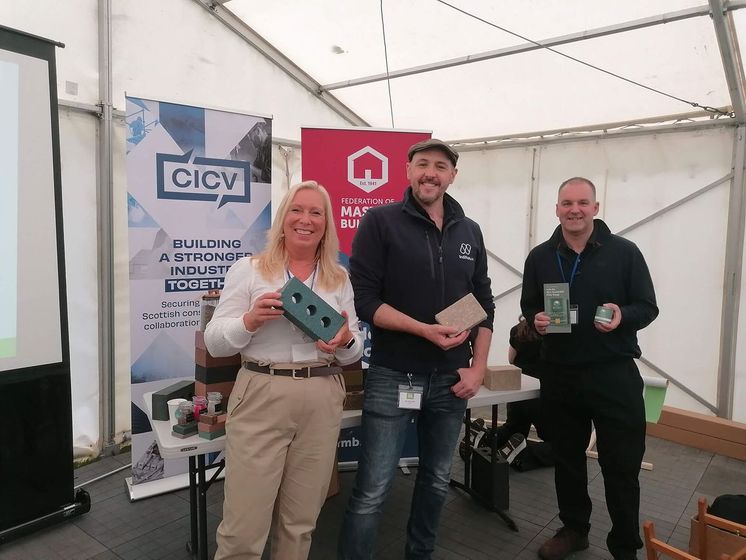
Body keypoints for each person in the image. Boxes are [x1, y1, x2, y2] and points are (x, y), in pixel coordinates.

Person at [338, 138, 495, 560]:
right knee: (373, 487)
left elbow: (483, 303)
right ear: (407, 170)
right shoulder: (380, 221)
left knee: (437, 479)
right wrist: (423, 331)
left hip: (451, 379)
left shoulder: (469, 230)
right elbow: (365, 300)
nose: (431, 173)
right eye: (423, 164)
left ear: (452, 176)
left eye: (441, 166)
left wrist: (477, 367)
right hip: (393, 374)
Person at [205, 181, 364, 560]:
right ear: (282, 218)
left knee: (300, 523)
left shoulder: (338, 278)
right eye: (297, 210)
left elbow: (353, 350)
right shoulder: (249, 269)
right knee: (243, 528)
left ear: (326, 224)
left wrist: (343, 341)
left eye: (316, 212)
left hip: (322, 396)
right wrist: (249, 320)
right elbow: (214, 342)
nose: (305, 220)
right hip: (262, 391)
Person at [520, 177, 658, 560]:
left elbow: (648, 307)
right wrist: (537, 319)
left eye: (582, 202)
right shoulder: (540, 257)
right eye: (566, 203)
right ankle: (574, 529)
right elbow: (529, 306)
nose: (574, 209)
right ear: (557, 209)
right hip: (560, 372)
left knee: (622, 465)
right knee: (566, 459)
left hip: (613, 372)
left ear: (596, 208)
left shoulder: (624, 252)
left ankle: (625, 545)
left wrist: (622, 314)